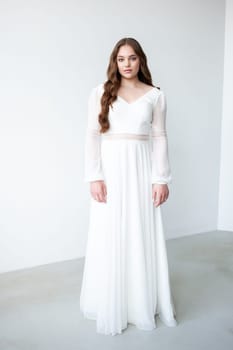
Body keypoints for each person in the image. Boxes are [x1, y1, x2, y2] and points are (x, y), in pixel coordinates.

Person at [80, 37, 178, 336]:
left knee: (138, 230)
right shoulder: (101, 92)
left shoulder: (155, 96)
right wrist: (94, 176)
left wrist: (160, 179)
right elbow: (92, 135)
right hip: (110, 172)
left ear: (141, 61)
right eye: (121, 59)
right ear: (115, 61)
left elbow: (160, 136)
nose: (127, 64)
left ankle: (139, 302)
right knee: (109, 232)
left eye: (132, 58)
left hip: (140, 172)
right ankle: (109, 299)